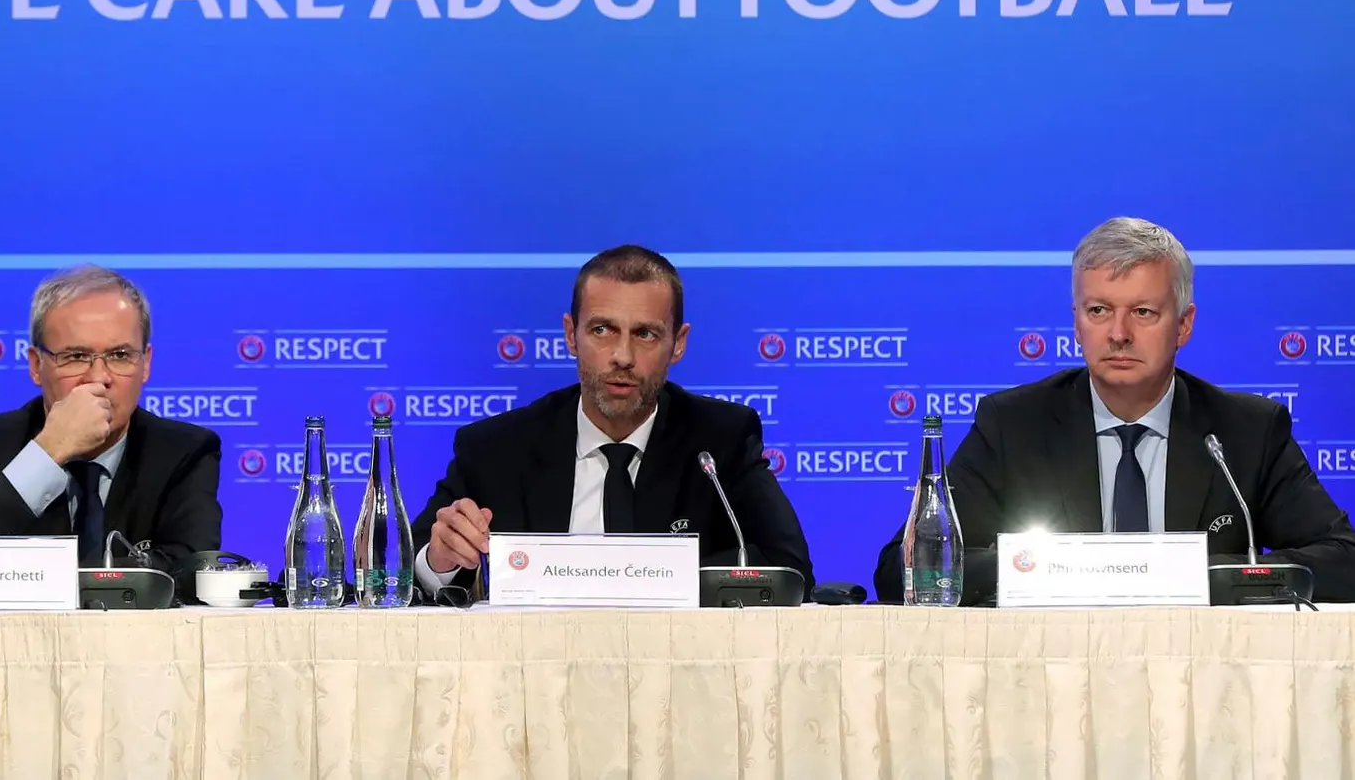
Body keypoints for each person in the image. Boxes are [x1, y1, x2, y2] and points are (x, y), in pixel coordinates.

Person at [875, 217, 1355, 602]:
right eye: (1099, 311)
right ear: (1077, 324)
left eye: (1143, 312)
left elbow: (1344, 560)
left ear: (1184, 325)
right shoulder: (1014, 425)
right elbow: (905, 569)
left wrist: (1201, 573)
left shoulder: (1247, 431)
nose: (1119, 333)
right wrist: (1046, 569)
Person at [411, 245, 813, 596]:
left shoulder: (720, 440)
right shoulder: (497, 448)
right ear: (571, 335)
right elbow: (401, 573)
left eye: (645, 334)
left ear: (679, 343)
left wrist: (666, 580)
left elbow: (789, 568)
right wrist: (440, 560)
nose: (622, 355)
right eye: (602, 329)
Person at [0, 265, 221, 567]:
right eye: (75, 357)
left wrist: (43, 579)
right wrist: (49, 451)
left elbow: (190, 568)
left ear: (145, 364)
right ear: (35, 365)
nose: (98, 378)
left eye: (120, 355)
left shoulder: (185, 452)